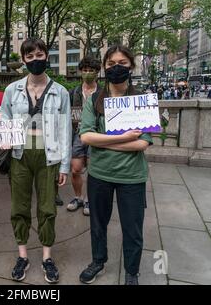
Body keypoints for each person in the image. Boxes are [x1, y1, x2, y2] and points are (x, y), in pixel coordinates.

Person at [78, 45, 153, 285]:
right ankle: (98, 261)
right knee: (98, 224)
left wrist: (103, 143)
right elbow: (86, 137)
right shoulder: (95, 100)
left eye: (122, 62)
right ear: (104, 67)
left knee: (133, 228)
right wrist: (123, 137)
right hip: (100, 174)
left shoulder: (141, 100)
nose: (116, 67)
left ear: (131, 65)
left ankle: (132, 271)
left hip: (132, 177)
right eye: (111, 63)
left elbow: (142, 144)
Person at [0, 38, 71, 284]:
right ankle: (22, 256)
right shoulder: (12, 90)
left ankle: (47, 257)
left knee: (47, 207)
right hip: (20, 153)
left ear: (46, 56)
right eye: (29, 57)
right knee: (19, 206)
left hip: (48, 154)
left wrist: (64, 165)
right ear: (24, 60)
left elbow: (65, 131)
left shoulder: (60, 92)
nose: (35, 60)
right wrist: (3, 138)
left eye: (39, 55)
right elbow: (4, 119)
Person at [66, 56, 102, 216]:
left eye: (91, 70)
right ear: (81, 72)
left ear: (97, 72)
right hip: (77, 135)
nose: (88, 73)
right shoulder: (72, 92)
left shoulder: (103, 93)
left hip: (96, 135)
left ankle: (89, 199)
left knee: (93, 170)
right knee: (75, 169)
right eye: (85, 70)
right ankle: (77, 197)